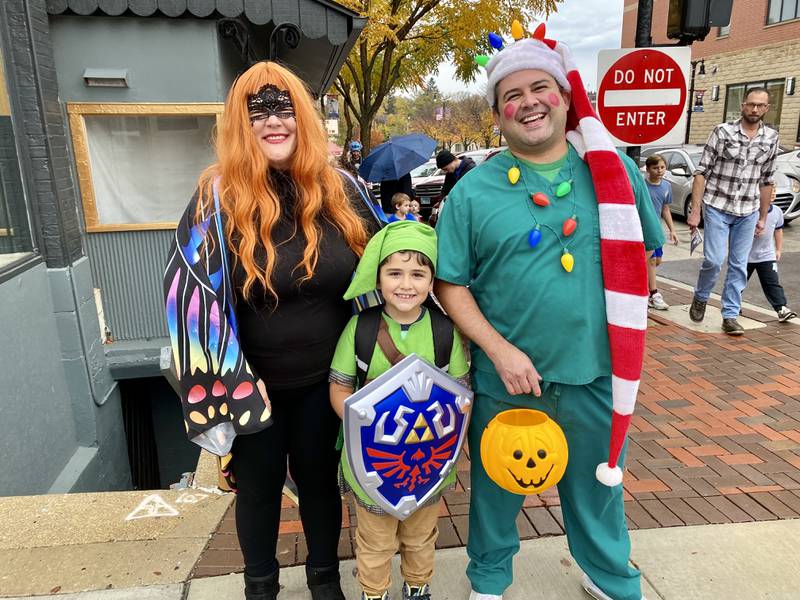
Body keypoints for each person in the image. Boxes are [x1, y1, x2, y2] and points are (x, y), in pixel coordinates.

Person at [433, 25, 663, 600]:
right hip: (509, 381)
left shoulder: (614, 172)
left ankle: (607, 573)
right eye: (511, 95)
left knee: (598, 489)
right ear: (497, 114)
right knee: (496, 489)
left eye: (540, 88)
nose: (527, 102)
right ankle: (489, 579)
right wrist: (500, 350)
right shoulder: (471, 191)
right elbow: (450, 284)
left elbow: (644, 260)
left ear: (563, 98)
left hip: (596, 376)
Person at [163, 61, 380, 600]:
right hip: (251, 384)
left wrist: (383, 358)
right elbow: (188, 301)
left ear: (302, 118)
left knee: (320, 484)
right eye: (256, 112)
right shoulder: (215, 199)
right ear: (241, 124)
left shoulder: (342, 190)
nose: (271, 122)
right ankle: (260, 588)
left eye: (283, 108)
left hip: (326, 381)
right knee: (257, 490)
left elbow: (386, 272)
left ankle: (325, 582)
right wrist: (231, 375)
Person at [329, 221, 470, 600]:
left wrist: (452, 447)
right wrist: (363, 424)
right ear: (377, 277)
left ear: (431, 280)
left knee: (421, 536)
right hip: (375, 465)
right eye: (394, 273)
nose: (406, 284)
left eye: (417, 274)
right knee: (374, 541)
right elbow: (341, 387)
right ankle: (374, 592)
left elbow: (460, 399)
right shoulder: (360, 329)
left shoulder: (445, 333)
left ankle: (417, 587)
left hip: (427, 463)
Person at [687, 87, 779, 335]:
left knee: (739, 265)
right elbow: (701, 172)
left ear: (767, 108)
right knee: (714, 260)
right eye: (751, 104)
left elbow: (767, 180)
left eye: (760, 106)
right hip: (717, 205)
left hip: (747, 210)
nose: (755, 109)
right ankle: (701, 296)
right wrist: (695, 211)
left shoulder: (770, 138)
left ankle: (729, 315)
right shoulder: (723, 131)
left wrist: (762, 217)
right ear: (743, 105)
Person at [746, 194, 796, 322]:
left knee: (772, 282)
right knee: (738, 282)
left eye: (773, 192)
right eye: (769, 192)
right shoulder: (749, 211)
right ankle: (732, 306)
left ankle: (781, 308)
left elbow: (778, 231)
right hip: (745, 256)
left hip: (767, 255)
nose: (772, 194)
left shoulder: (777, 211)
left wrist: (778, 250)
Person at [644, 154, 679, 310]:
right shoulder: (642, 185)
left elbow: (665, 208)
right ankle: (653, 294)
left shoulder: (666, 186)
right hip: (644, 229)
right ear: (648, 169)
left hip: (656, 229)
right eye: (655, 168)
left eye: (662, 167)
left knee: (657, 261)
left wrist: (672, 229)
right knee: (650, 261)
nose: (659, 171)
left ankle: (646, 290)